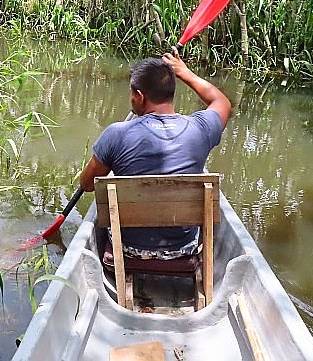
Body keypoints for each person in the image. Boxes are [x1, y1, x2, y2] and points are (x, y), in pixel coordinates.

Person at [79, 47, 231, 259]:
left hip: (127, 250)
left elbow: (87, 184)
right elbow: (222, 102)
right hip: (184, 249)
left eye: (132, 94)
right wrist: (185, 72)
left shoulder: (116, 134)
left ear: (140, 96)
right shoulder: (200, 128)